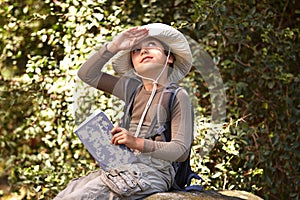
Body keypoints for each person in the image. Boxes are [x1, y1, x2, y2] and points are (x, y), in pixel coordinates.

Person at [54, 23, 194, 200]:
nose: (143, 51)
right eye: (135, 51)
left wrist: (135, 142)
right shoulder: (132, 89)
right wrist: (113, 46)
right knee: (67, 193)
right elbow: (87, 74)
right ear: (133, 66)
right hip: (123, 165)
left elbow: (180, 151)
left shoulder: (177, 96)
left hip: (155, 172)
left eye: (151, 45)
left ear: (170, 58)